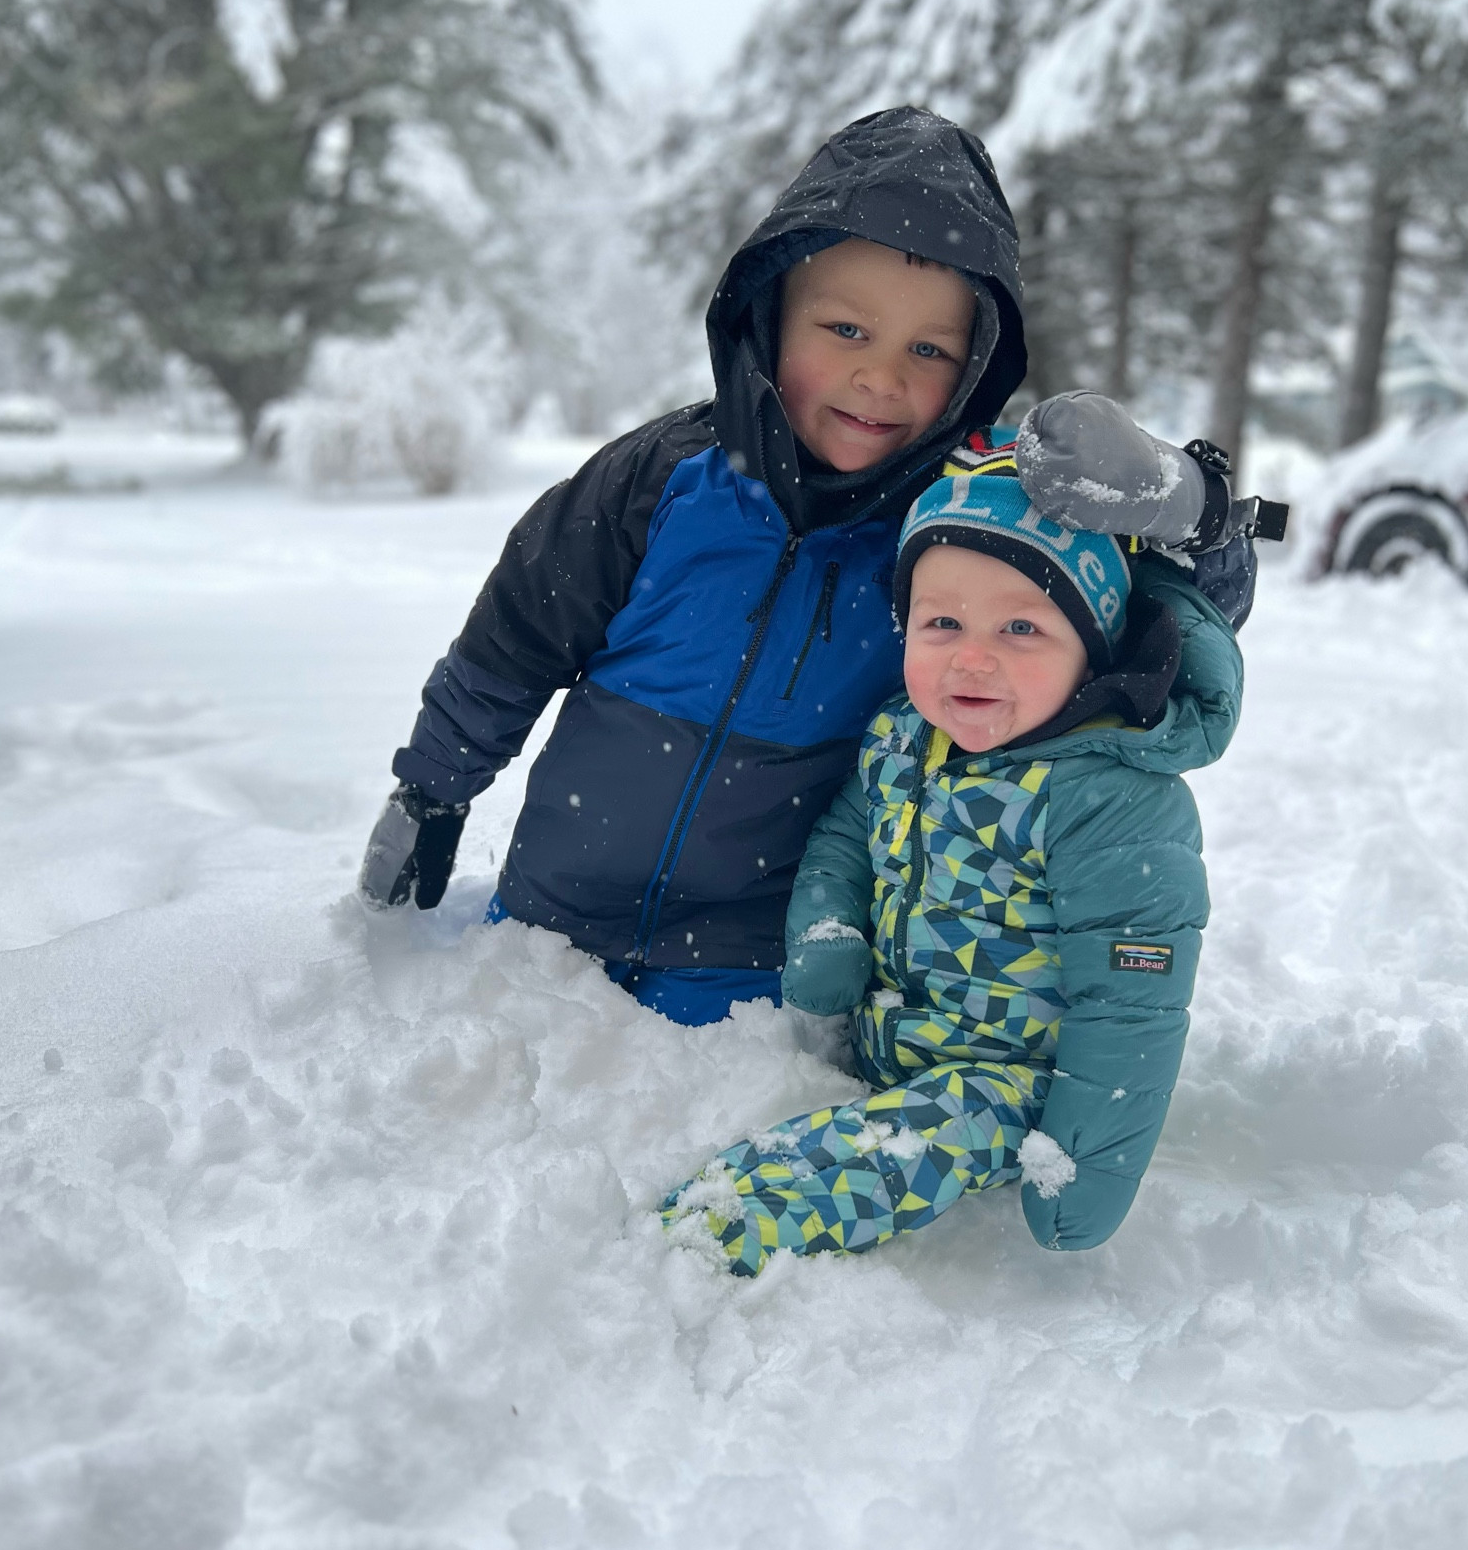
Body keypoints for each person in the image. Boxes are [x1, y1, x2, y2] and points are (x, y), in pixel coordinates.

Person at [359, 106, 1254, 1028]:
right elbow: (514, 639)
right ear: (770, 319)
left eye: (929, 350)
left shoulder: (965, 514)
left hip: (757, 951)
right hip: (549, 922)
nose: (882, 379)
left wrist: (1191, 514)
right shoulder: (661, 479)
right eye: (846, 331)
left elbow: (1165, 618)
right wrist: (432, 787)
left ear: (976, 367)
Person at [660, 457, 1237, 1272]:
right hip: (895, 1039)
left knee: (902, 1147)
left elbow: (1131, 1004)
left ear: (1093, 647)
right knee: (856, 1116)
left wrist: (1084, 1162)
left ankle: (718, 1240)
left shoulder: (1108, 795)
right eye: (942, 626)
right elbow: (843, 839)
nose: (972, 659)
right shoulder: (902, 735)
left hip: (1012, 1084)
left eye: (1022, 629)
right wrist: (829, 927)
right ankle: (714, 1200)